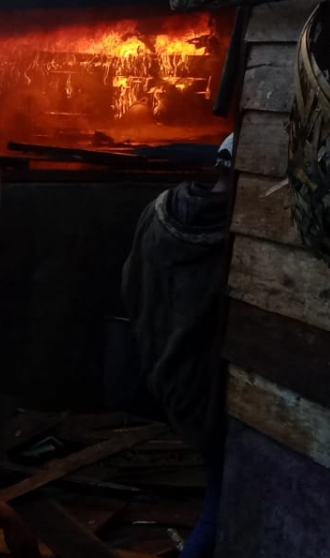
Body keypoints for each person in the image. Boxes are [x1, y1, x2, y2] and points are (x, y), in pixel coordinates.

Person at [119, 132, 235, 558]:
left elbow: (130, 287)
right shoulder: (237, 238)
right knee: (222, 503)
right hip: (210, 395)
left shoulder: (159, 209)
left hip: (164, 376)